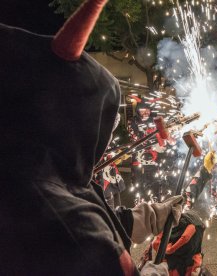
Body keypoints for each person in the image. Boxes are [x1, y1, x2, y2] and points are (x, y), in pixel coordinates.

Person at [0, 1, 182, 274]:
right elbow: (93, 241)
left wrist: (149, 217)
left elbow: (91, 204)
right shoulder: (65, 221)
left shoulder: (47, 171)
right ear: (72, 119)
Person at [127, 97, 169, 203]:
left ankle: (155, 201)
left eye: (147, 110)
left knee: (155, 181)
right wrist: (144, 136)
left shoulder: (155, 121)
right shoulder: (133, 122)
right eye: (142, 110)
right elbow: (135, 137)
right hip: (138, 159)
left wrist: (162, 142)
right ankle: (139, 202)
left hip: (153, 158)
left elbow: (163, 137)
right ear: (138, 111)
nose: (145, 113)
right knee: (138, 182)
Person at [152, 211, 206, 276]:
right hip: (188, 265)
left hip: (168, 264)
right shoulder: (195, 257)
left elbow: (156, 243)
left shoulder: (162, 247)